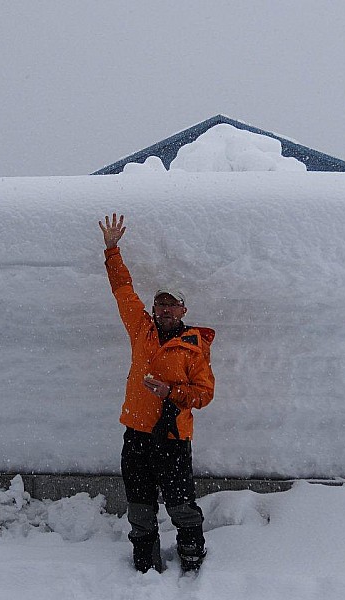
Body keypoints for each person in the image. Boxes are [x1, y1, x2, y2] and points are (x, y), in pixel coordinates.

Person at [99, 213, 215, 573]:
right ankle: (145, 560)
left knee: (181, 503)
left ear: (183, 310)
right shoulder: (142, 331)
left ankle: (192, 554)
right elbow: (123, 291)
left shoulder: (193, 347)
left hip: (172, 436)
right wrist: (112, 249)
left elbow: (204, 394)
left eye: (171, 305)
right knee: (140, 503)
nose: (164, 310)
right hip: (137, 434)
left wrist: (171, 392)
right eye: (159, 304)